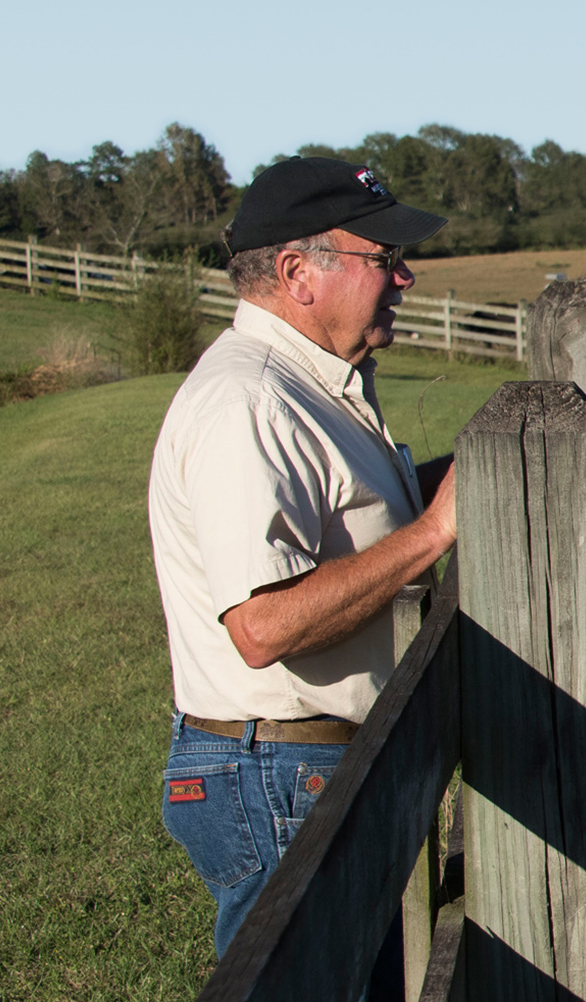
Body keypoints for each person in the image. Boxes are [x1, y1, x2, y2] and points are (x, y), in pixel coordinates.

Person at [147, 157, 458, 965]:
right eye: (384, 259)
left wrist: (469, 479)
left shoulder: (311, 385)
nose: (407, 277)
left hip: (299, 762)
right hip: (279, 770)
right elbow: (263, 624)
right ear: (297, 274)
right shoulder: (251, 401)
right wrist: (432, 533)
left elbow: (346, 522)